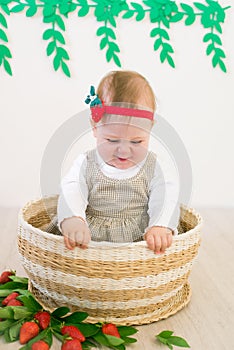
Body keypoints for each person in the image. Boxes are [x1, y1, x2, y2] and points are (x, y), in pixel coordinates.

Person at [57, 70, 180, 254]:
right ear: (95, 127)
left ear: (150, 130)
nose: (123, 150)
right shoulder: (87, 162)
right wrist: (74, 219)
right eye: (112, 140)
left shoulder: (154, 167)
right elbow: (71, 188)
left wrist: (160, 226)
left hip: (139, 244)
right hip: (90, 242)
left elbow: (166, 195)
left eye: (137, 141)